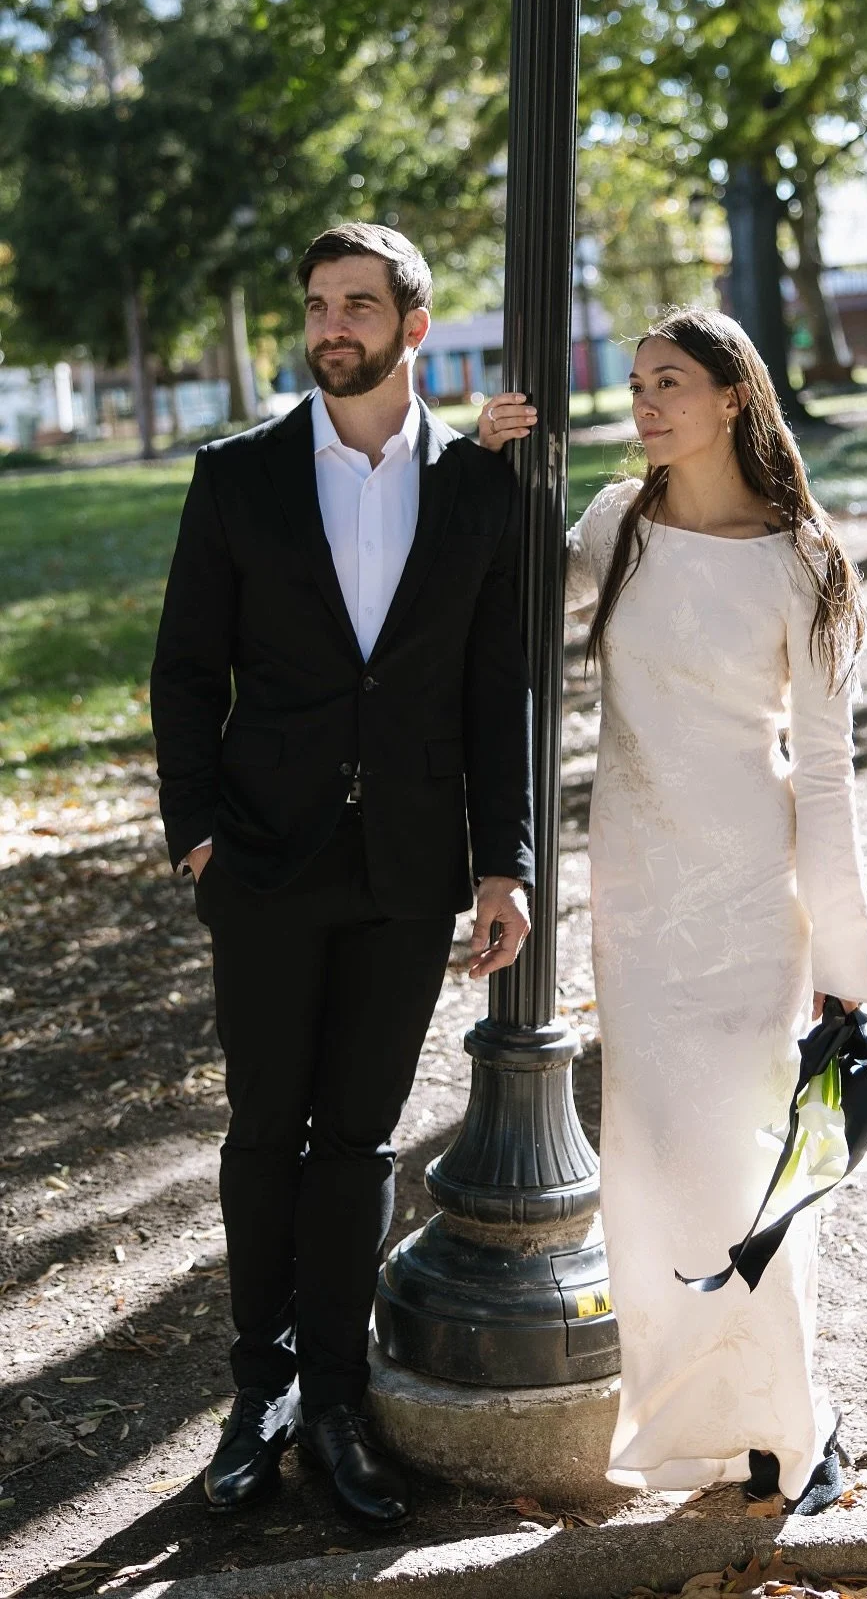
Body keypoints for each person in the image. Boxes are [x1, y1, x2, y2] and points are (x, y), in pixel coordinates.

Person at [150, 223, 536, 1528]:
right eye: (317, 304)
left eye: (357, 304)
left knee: (358, 1140)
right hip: (259, 856)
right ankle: (257, 1393)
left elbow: (500, 692)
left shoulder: (480, 486)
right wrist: (196, 827)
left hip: (408, 865)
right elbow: (187, 671)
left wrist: (505, 866)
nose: (331, 325)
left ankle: (336, 1399)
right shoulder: (238, 477)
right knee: (265, 1133)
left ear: (411, 328)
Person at [481, 305, 867, 1513]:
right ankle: (694, 1436)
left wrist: (848, 959)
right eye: (635, 383)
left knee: (748, 1165)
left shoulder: (805, 561)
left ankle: (788, 1428)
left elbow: (824, 770)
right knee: (651, 1175)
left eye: (669, 382)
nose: (643, 403)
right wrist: (491, 462)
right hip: (637, 893)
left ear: (733, 399)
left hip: (753, 905)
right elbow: (503, 597)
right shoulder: (618, 525)